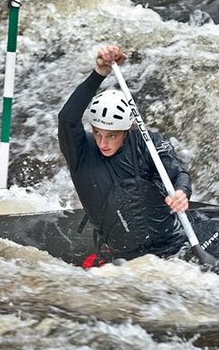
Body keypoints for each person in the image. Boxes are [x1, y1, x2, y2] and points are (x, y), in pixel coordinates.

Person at [58, 45, 192, 264]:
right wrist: (99, 73)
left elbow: (178, 173)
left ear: (127, 130)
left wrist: (181, 193)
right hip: (124, 259)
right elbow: (67, 118)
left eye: (111, 136)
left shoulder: (147, 143)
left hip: (173, 246)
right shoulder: (80, 153)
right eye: (98, 133)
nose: (103, 143)